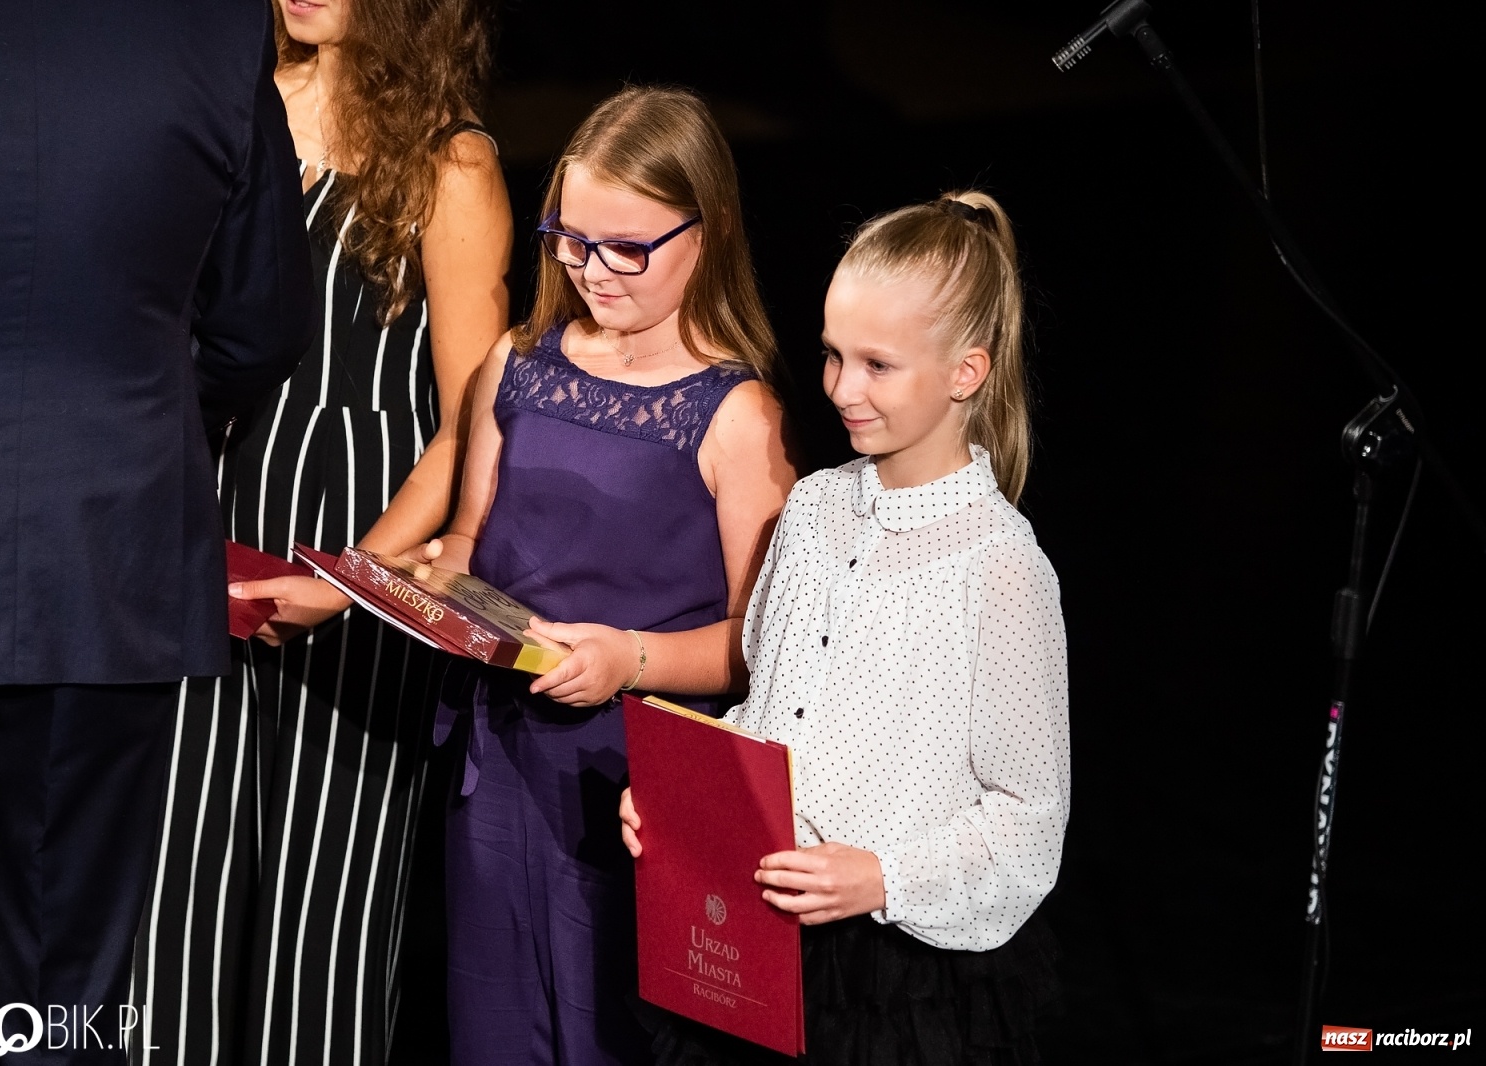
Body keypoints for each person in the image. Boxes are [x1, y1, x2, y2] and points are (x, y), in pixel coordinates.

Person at [0, 0, 313, 1057]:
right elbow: (262, 327)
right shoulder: (213, 31)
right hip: (106, 550)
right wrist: (139, 411)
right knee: (57, 1004)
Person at [130, 0, 511, 1062]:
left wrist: (355, 579)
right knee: (174, 899)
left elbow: (474, 422)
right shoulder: (236, 109)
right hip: (206, 546)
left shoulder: (453, 162)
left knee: (323, 927)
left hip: (359, 566)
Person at [621, 191, 1070, 1066]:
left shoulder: (1002, 567)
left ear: (966, 373)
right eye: (832, 356)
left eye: (877, 365)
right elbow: (768, 712)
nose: (841, 389)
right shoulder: (818, 507)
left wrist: (882, 877)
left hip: (893, 975)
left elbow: (1029, 819)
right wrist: (683, 811)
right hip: (756, 932)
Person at [416, 86, 797, 1065]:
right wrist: (424, 591)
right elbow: (466, 541)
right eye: (570, 240)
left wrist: (626, 657)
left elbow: (762, 648)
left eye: (627, 247)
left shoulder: (733, 415)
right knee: (493, 1025)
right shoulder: (520, 362)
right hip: (499, 758)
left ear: (704, 234)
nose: (592, 271)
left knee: (606, 1029)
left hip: (632, 779)